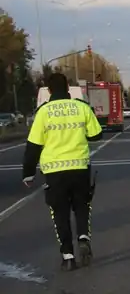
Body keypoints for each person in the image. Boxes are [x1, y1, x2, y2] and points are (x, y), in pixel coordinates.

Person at [22, 73, 103, 271]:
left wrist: (28, 173)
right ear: (67, 86)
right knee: (82, 205)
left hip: (54, 171)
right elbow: (96, 135)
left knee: (60, 212)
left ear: (48, 90)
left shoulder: (43, 112)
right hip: (79, 167)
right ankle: (83, 236)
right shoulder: (81, 107)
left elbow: (33, 146)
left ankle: (68, 256)